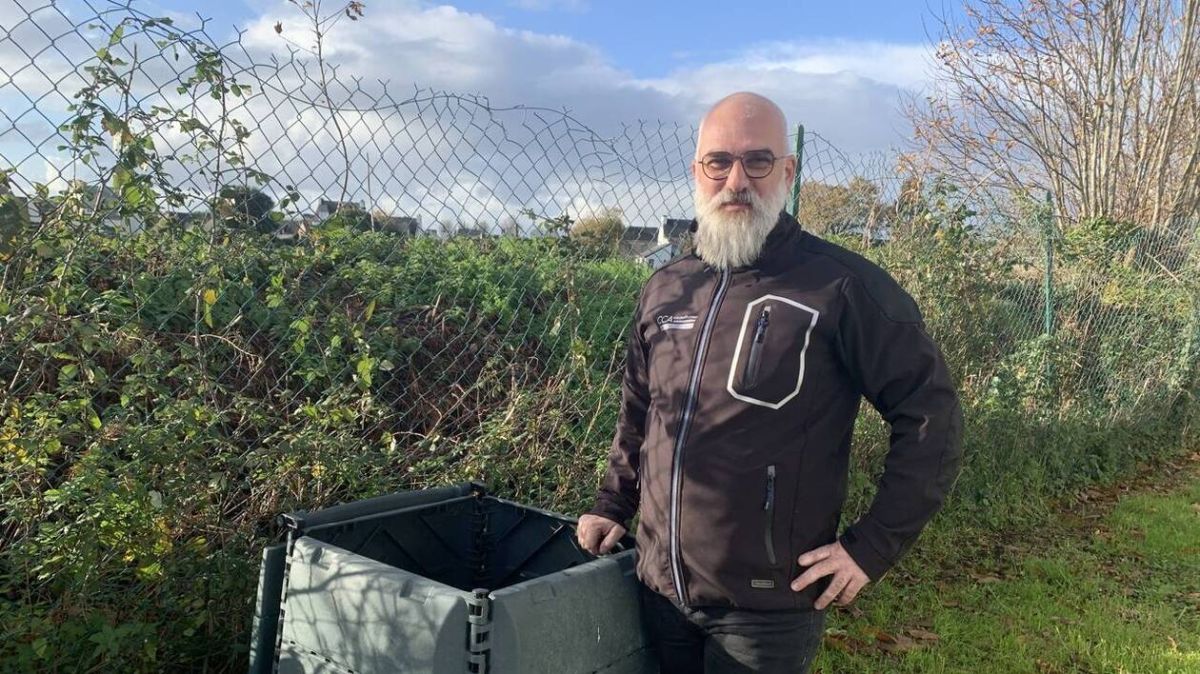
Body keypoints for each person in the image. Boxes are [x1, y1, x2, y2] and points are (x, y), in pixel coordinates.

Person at [575, 92, 964, 673]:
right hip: (658, 588)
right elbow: (641, 407)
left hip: (766, 611)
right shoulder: (666, 289)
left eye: (757, 162)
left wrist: (872, 547)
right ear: (697, 172)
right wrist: (613, 503)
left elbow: (932, 416)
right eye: (718, 162)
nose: (737, 180)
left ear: (787, 171)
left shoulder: (841, 287)